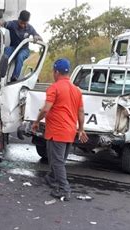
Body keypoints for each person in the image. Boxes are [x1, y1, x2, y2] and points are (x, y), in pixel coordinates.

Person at [31, 59, 88, 201]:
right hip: (70, 131)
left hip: (57, 131)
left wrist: (37, 121)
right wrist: (81, 129)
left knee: (57, 162)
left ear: (56, 72)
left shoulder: (54, 88)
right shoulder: (76, 90)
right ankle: (51, 178)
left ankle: (64, 189)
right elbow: (81, 112)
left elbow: (46, 109)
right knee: (59, 159)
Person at [0, 10, 42, 81]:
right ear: (18, 19)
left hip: (24, 49)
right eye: (21, 23)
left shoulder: (30, 28)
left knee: (20, 56)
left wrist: (37, 37)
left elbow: (39, 37)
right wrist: (1, 22)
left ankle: (14, 77)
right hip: (14, 48)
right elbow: (4, 23)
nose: (23, 25)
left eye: (24, 23)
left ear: (27, 21)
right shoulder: (13, 24)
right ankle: (0, 73)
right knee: (6, 50)